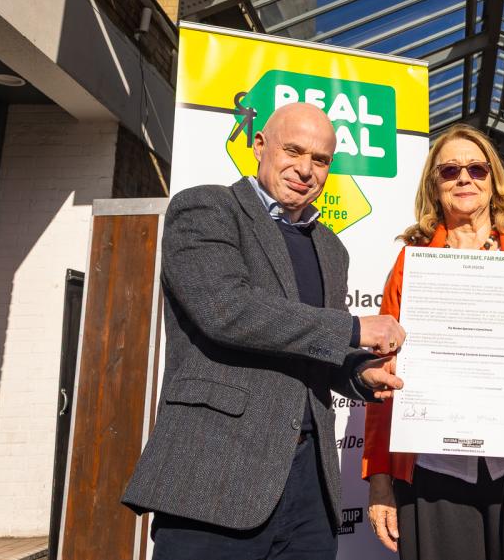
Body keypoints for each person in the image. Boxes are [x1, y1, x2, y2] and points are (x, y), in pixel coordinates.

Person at [122, 103, 407, 560]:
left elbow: (315, 348)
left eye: (320, 159)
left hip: (310, 484)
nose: (305, 169)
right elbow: (226, 310)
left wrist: (358, 373)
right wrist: (354, 328)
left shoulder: (330, 248)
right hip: (216, 473)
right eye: (293, 151)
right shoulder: (206, 208)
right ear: (259, 146)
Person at [362, 123, 504, 560]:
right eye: (450, 170)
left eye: (476, 169)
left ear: (493, 180)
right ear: (434, 184)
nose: (464, 178)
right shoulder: (411, 261)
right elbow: (383, 371)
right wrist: (380, 477)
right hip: (436, 468)